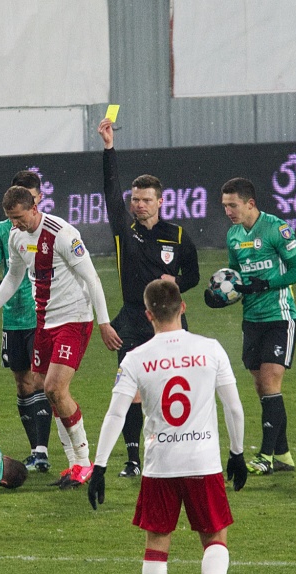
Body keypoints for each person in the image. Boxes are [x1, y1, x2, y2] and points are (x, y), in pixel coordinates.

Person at [87, 279, 246, 574]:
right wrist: (237, 453)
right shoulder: (210, 349)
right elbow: (233, 407)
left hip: (160, 465)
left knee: (157, 546)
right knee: (215, 538)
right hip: (203, 461)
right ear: (183, 307)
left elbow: (115, 413)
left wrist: (99, 466)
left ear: (147, 315)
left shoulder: (136, 358)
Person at [0, 186, 122, 489]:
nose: (15, 224)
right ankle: (73, 464)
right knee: (45, 389)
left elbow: (91, 277)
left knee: (55, 387)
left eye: (18, 218)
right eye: (10, 219)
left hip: (74, 319)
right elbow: (14, 276)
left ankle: (83, 463)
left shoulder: (62, 234)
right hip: (45, 322)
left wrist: (104, 323)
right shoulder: (16, 237)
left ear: (33, 207)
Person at [97, 117, 201, 479]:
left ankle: (179, 451)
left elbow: (195, 275)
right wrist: (109, 149)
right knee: (131, 389)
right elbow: (111, 191)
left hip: (170, 320)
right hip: (131, 318)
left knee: (175, 385)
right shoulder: (123, 230)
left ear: (160, 201)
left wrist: (178, 282)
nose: (139, 205)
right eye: (135, 200)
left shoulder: (178, 235)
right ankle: (132, 459)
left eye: (145, 200)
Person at [205, 178, 296, 475]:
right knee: (264, 390)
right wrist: (220, 296)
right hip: (251, 320)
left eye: (232, 205)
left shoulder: (277, 228)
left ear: (250, 203)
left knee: (270, 383)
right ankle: (284, 456)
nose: (228, 211)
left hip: (279, 316)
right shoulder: (234, 235)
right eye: (224, 206)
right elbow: (234, 277)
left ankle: (265, 456)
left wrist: (270, 283)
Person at [0, 170, 53, 473]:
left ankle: (42, 450)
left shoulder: (50, 229)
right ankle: (34, 449)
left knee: (41, 381)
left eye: (32, 196)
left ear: (38, 199)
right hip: (13, 319)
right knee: (22, 384)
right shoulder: (3, 231)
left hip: (42, 316)